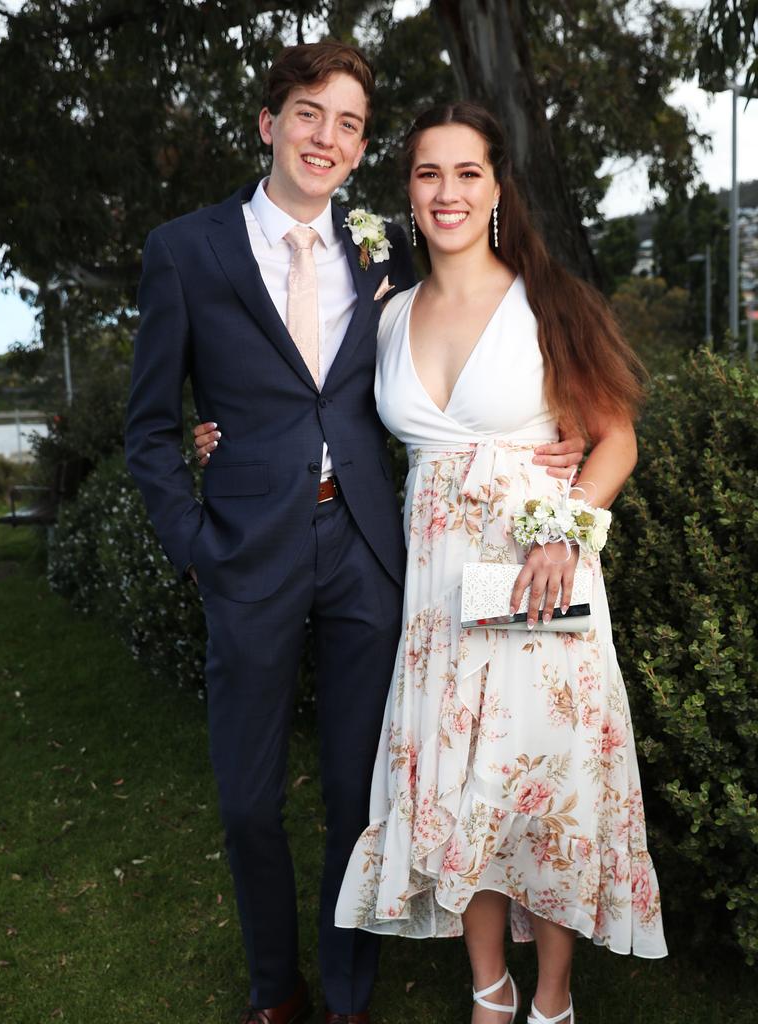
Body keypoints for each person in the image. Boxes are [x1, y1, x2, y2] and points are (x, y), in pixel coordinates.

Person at [135, 39, 582, 1023]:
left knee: (356, 789)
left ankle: (346, 993)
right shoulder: (185, 249)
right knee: (250, 799)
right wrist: (196, 543)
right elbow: (151, 429)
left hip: (368, 555)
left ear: (359, 145)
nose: (325, 137)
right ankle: (274, 985)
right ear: (269, 123)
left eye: (347, 123)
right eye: (308, 114)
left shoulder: (378, 251)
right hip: (245, 556)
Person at [321, 102, 666, 1024]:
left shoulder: (548, 301)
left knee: (540, 786)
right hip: (436, 596)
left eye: (468, 173)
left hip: (539, 576)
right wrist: (215, 437)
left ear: (497, 187)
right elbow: (312, 414)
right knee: (456, 785)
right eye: (429, 173)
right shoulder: (386, 316)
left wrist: (566, 531)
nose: (448, 192)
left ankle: (551, 997)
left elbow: (616, 441)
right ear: (408, 190)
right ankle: (489, 988)